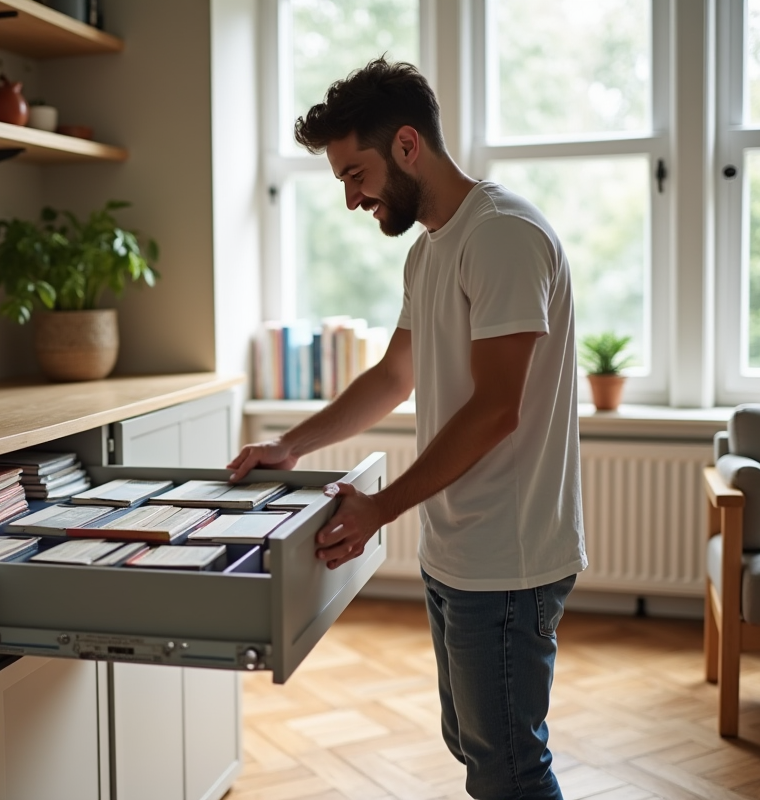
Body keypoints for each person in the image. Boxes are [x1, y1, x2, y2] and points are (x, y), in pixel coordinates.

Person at [228, 58, 586, 800]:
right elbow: (395, 376)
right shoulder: (431, 251)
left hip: (510, 559)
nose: (352, 199)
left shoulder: (502, 236)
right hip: (457, 547)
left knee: (509, 768)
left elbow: (497, 408)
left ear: (407, 146)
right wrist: (289, 446)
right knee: (475, 747)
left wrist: (380, 509)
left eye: (354, 175)